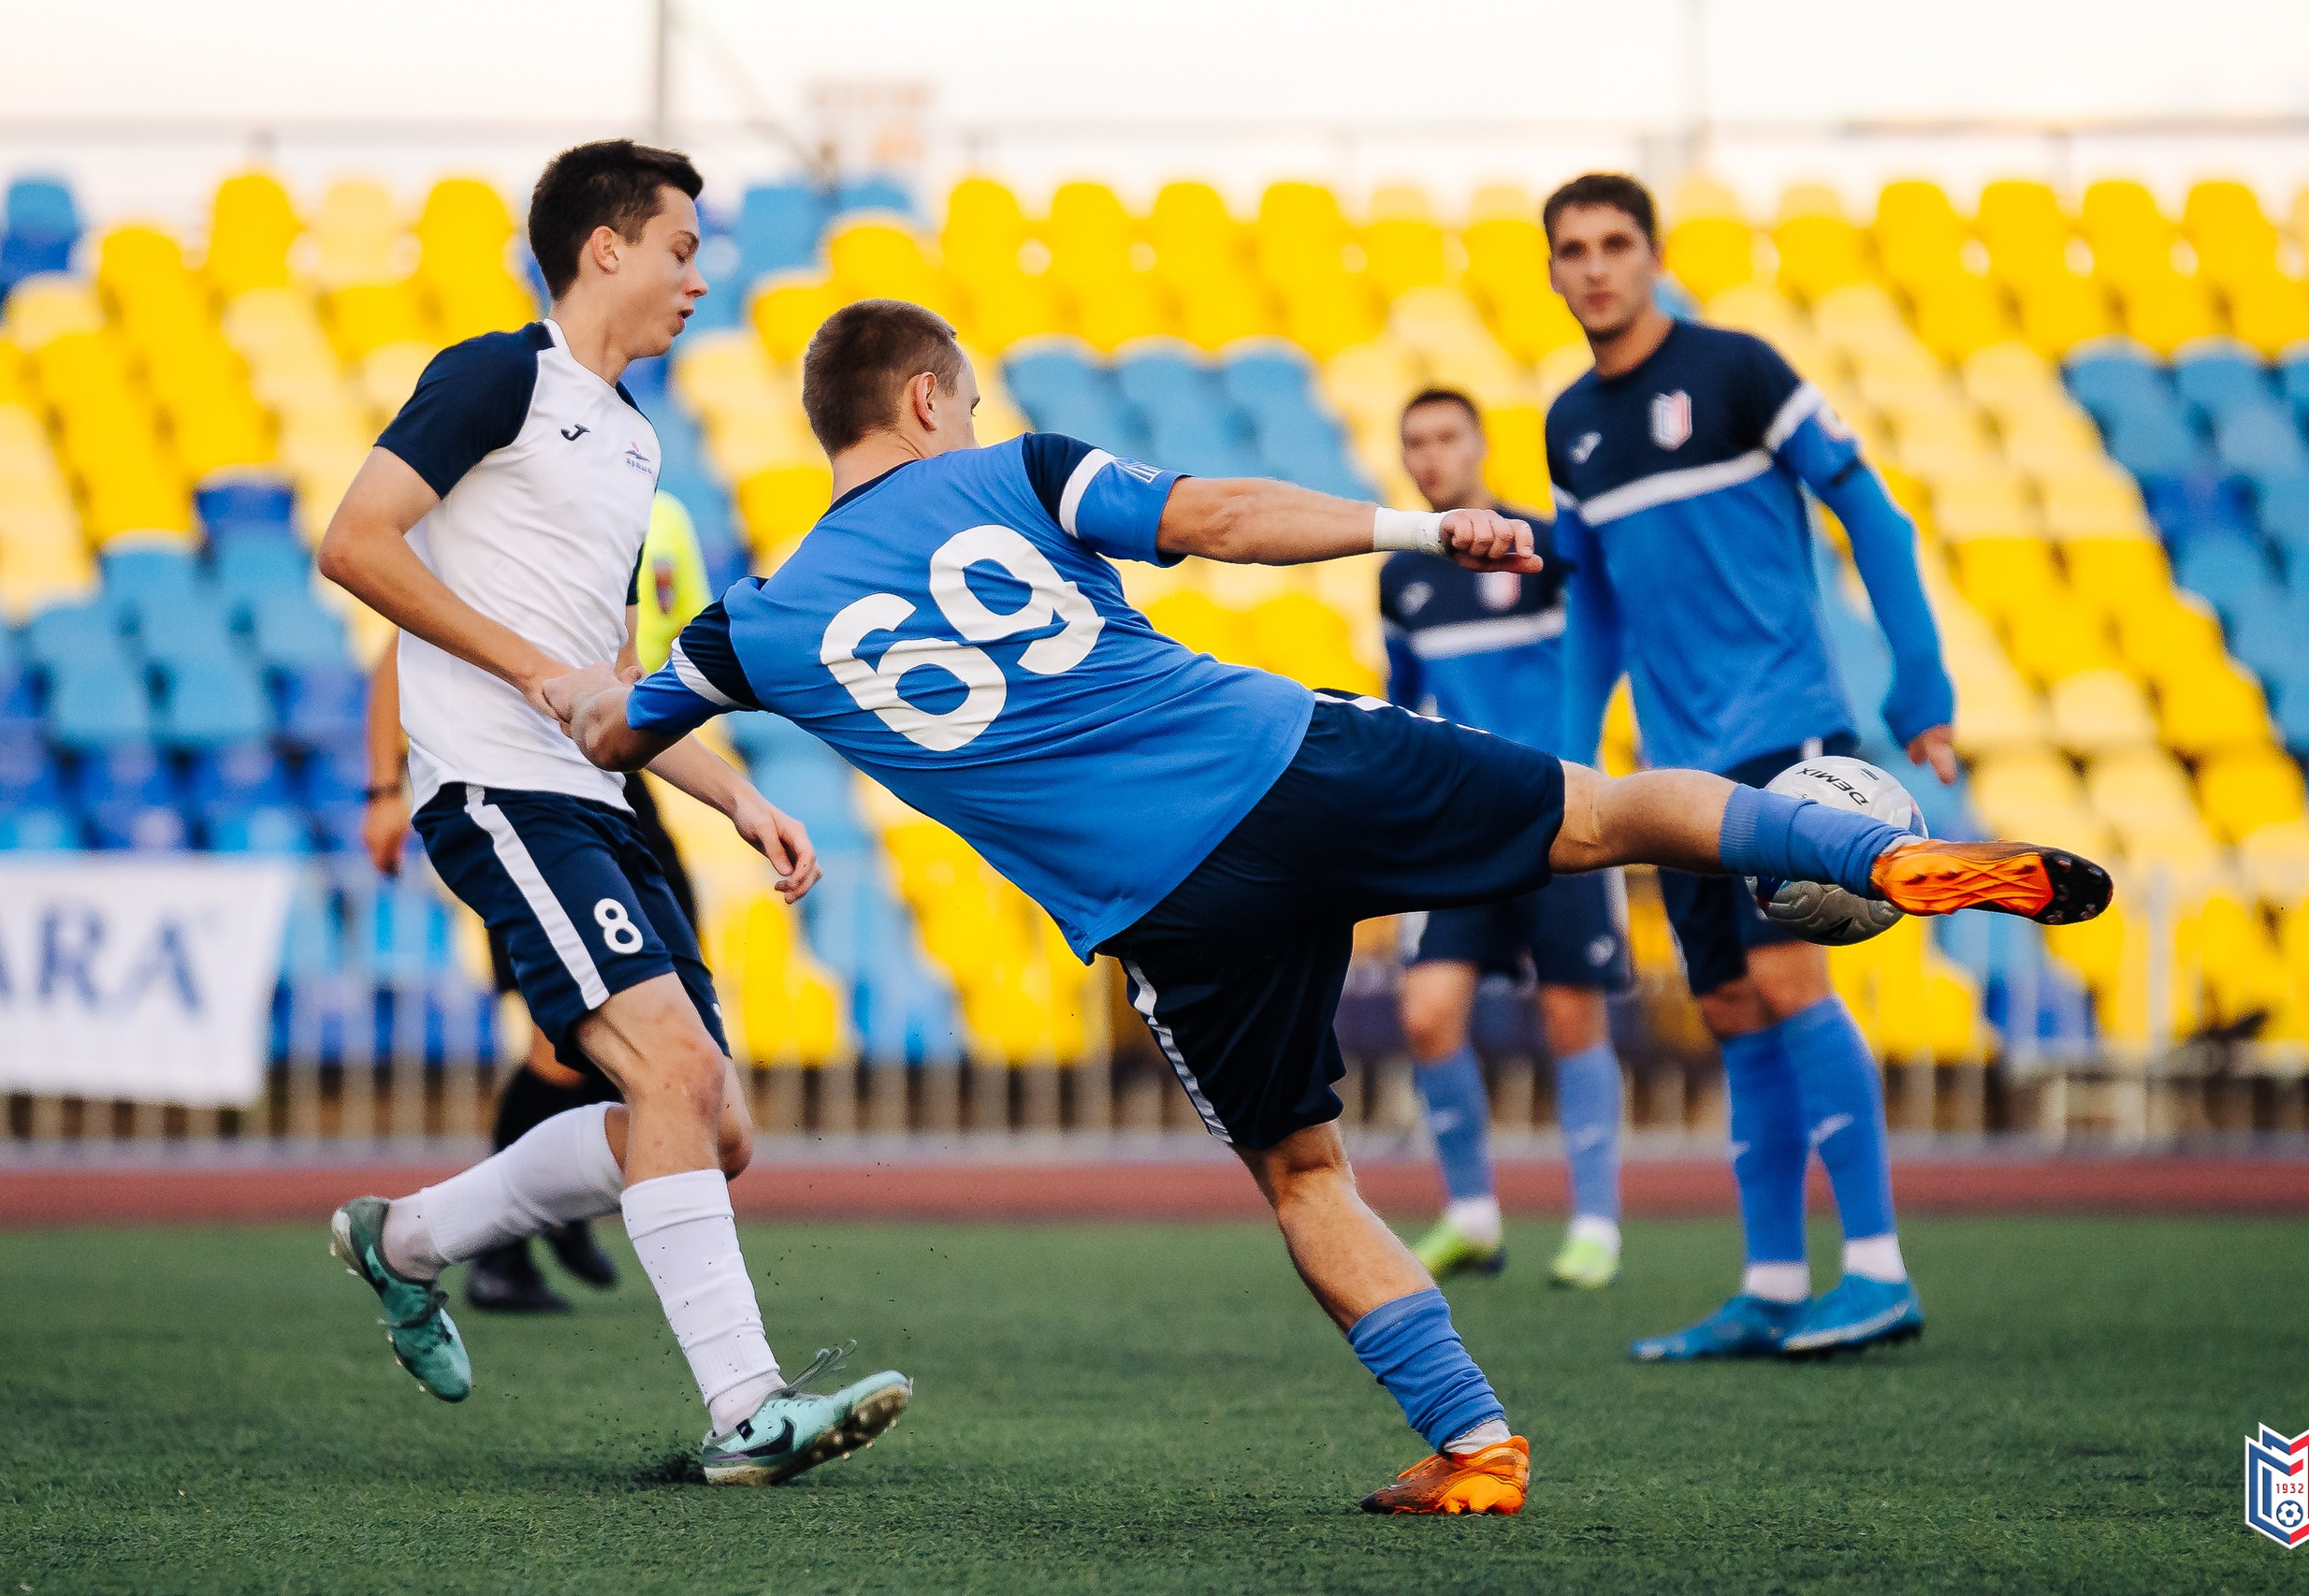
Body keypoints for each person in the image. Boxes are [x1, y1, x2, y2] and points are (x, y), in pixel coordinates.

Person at [540, 298, 2109, 1513]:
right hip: (1290, 758)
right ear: (930, 398)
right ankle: (1875, 859)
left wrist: (557, 660)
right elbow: (1217, 521)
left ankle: (1477, 1443)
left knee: (1304, 1175)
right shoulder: (1008, 472)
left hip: (1168, 909)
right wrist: (1425, 525)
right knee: (1609, 816)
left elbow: (613, 732)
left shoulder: (753, 621)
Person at [317, 139, 910, 1488]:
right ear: (606, 248)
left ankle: (404, 1241)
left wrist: (737, 791)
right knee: (676, 1079)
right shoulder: (495, 375)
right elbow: (355, 543)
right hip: (497, 784)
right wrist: (521, 668)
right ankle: (749, 1405)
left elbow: (615, 676)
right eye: (684, 248)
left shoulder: (637, 439)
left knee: (713, 1125)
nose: (700, 277)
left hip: (600, 794)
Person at [1540, 172, 1968, 1361]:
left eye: (1615, 243)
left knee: (1789, 987)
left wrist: (1919, 684)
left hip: (1790, 738)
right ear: (1552, 270)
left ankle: (1876, 1267)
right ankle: (1774, 1281)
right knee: (1730, 1008)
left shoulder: (1739, 369)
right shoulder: (1569, 423)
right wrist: (1577, 763)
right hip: (1677, 777)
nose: (1594, 266)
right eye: (1571, 248)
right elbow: (1595, 613)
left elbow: (1868, 510)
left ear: (1651, 252)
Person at [358, 490, 713, 1313]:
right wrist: (384, 786)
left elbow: (667, 658)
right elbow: (400, 651)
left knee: (673, 1032)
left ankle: (557, 1206)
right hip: (528, 783)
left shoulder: (663, 515)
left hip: (628, 773)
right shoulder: (522, 502)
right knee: (567, 1045)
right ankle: (500, 1252)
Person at [1379, 388, 1633, 1290]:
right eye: (1416, 442)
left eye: (1447, 437)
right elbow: (1405, 699)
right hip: (1460, 825)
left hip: (1561, 813)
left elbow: (1610, 641)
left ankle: (1596, 1222)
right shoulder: (1401, 574)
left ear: (1481, 446)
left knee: (1570, 1014)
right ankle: (1473, 1217)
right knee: (1427, 1013)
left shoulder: (1544, 548)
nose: (1431, 455)